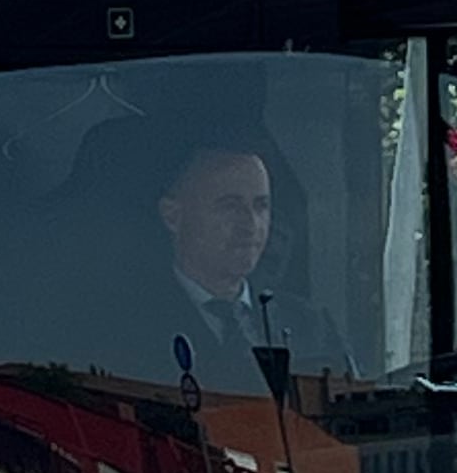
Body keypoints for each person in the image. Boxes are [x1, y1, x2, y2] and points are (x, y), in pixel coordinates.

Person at [133, 138, 352, 395]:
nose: (250, 225)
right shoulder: (132, 328)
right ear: (173, 215)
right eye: (230, 206)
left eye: (261, 206)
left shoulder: (312, 327)